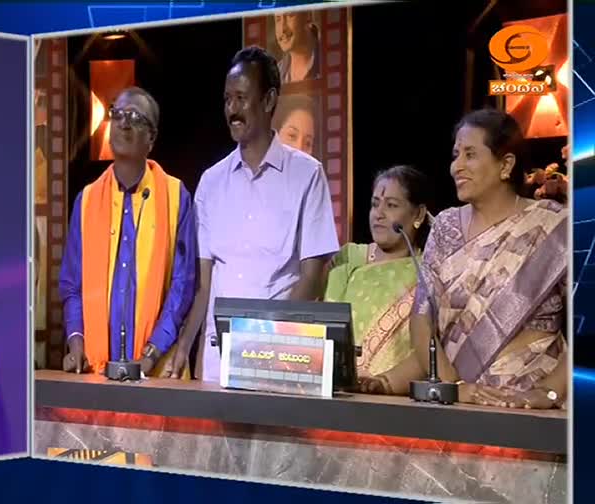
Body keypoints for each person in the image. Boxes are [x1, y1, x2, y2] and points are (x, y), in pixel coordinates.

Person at [361, 109, 568, 409]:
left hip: (532, 405)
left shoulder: (554, 226)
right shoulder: (445, 226)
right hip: (456, 405)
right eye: (455, 154)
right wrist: (454, 387)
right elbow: (422, 317)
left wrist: (548, 392)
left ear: (506, 164)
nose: (456, 166)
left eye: (470, 154)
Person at [162, 47, 339, 381]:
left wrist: (267, 345)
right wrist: (185, 346)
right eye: (227, 99)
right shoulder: (211, 182)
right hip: (217, 362)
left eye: (242, 98)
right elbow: (204, 285)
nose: (232, 110)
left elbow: (313, 276)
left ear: (269, 99)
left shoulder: (306, 175)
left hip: (280, 358)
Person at [59, 87, 197, 377]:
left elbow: (183, 285)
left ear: (152, 138)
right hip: (96, 372)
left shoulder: (175, 196)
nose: (123, 122)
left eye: (135, 117)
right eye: (117, 114)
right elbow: (72, 286)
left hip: (158, 370)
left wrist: (150, 356)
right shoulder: (86, 201)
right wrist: (76, 342)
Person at [323, 166, 431, 378]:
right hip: (335, 388)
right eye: (374, 204)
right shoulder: (348, 258)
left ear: (418, 214)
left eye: (391, 205)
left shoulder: (429, 271)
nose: (378, 214)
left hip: (396, 396)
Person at [274, 11, 321, 84]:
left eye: (290, 16)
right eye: (278, 19)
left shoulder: (331, 61)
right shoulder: (275, 77)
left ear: (308, 16)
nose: (282, 29)